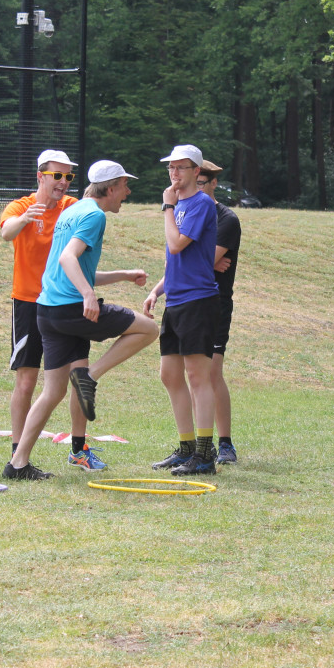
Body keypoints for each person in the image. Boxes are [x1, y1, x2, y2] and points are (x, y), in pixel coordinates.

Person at [3, 160, 158, 480]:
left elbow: (72, 270)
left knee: (53, 391)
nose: (127, 194)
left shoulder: (71, 211)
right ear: (111, 188)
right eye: (125, 187)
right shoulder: (93, 215)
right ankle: (90, 376)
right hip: (72, 310)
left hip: (47, 312)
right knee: (149, 328)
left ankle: (17, 464)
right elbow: (67, 258)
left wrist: (123, 276)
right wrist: (88, 296)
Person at [0, 149, 102, 472]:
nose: (62, 183)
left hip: (63, 304)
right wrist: (25, 218)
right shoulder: (21, 205)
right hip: (29, 303)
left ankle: (78, 449)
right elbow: (5, 232)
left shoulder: (72, 209)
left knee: (79, 376)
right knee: (27, 381)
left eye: (68, 177)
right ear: (40, 176)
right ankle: (20, 454)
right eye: (56, 176)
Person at [143, 144, 221, 476]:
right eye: (171, 168)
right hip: (175, 300)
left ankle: (204, 454)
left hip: (198, 301)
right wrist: (157, 289)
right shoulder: (179, 206)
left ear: (196, 172)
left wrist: (166, 207)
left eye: (181, 168)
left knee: (197, 376)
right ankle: (186, 447)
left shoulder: (201, 204)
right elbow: (177, 258)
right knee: (169, 375)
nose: (174, 173)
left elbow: (177, 244)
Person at [195, 159, 242, 464]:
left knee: (212, 372)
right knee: (189, 374)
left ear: (212, 184)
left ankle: (224, 443)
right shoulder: (187, 213)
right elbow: (180, 253)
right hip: (187, 300)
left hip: (215, 302)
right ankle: (198, 443)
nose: (193, 188)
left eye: (200, 183)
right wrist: (205, 259)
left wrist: (204, 258)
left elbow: (202, 257)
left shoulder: (227, 219)